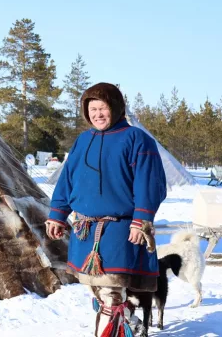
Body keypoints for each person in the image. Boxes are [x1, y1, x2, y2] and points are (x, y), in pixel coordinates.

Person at [46, 83, 167, 337]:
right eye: (92, 109)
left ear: (116, 107)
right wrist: (57, 214)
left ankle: (115, 327)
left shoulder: (137, 139)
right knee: (99, 294)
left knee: (111, 295)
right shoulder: (83, 140)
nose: (97, 114)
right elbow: (68, 179)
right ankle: (128, 323)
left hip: (121, 232)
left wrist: (141, 220)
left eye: (102, 108)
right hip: (85, 232)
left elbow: (149, 182)